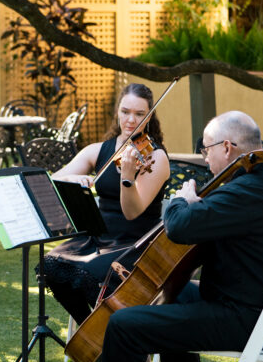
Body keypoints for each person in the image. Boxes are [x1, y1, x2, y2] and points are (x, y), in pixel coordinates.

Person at [62, 110, 263, 362]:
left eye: (206, 149)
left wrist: (181, 200)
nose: (204, 158)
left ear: (227, 147)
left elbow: (179, 226)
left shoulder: (244, 192)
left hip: (250, 320)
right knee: (174, 291)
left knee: (124, 322)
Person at [42, 83, 171, 326]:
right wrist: (74, 179)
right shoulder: (100, 150)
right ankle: (89, 330)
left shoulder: (156, 158)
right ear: (117, 112)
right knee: (51, 266)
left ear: (149, 116)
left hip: (135, 244)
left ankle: (110, 335)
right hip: (99, 237)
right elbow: (54, 178)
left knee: (88, 272)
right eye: (125, 111)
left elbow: (132, 212)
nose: (130, 120)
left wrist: (127, 177)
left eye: (139, 114)